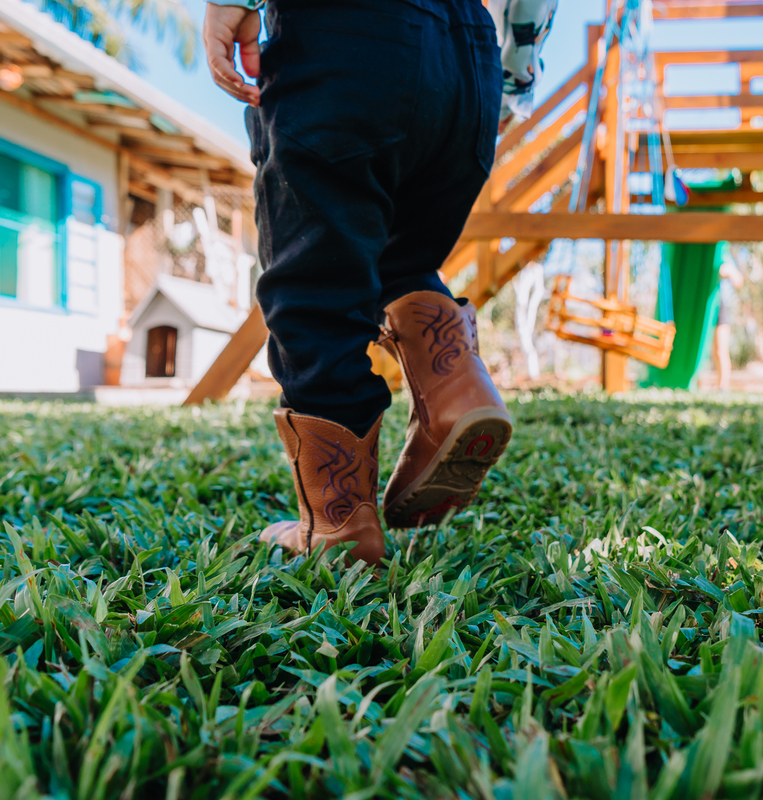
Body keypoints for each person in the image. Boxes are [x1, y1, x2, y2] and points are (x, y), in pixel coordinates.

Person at [202, 0, 557, 564]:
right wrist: (509, 75)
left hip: (346, 34)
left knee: (316, 286)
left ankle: (339, 524)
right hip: (471, 59)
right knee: (401, 253)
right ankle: (454, 388)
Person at [712, 251, 745, 392]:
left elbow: (738, 281)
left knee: (720, 349)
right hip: (699, 307)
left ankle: (723, 388)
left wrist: (727, 270)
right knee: (709, 350)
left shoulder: (723, 254)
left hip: (719, 306)